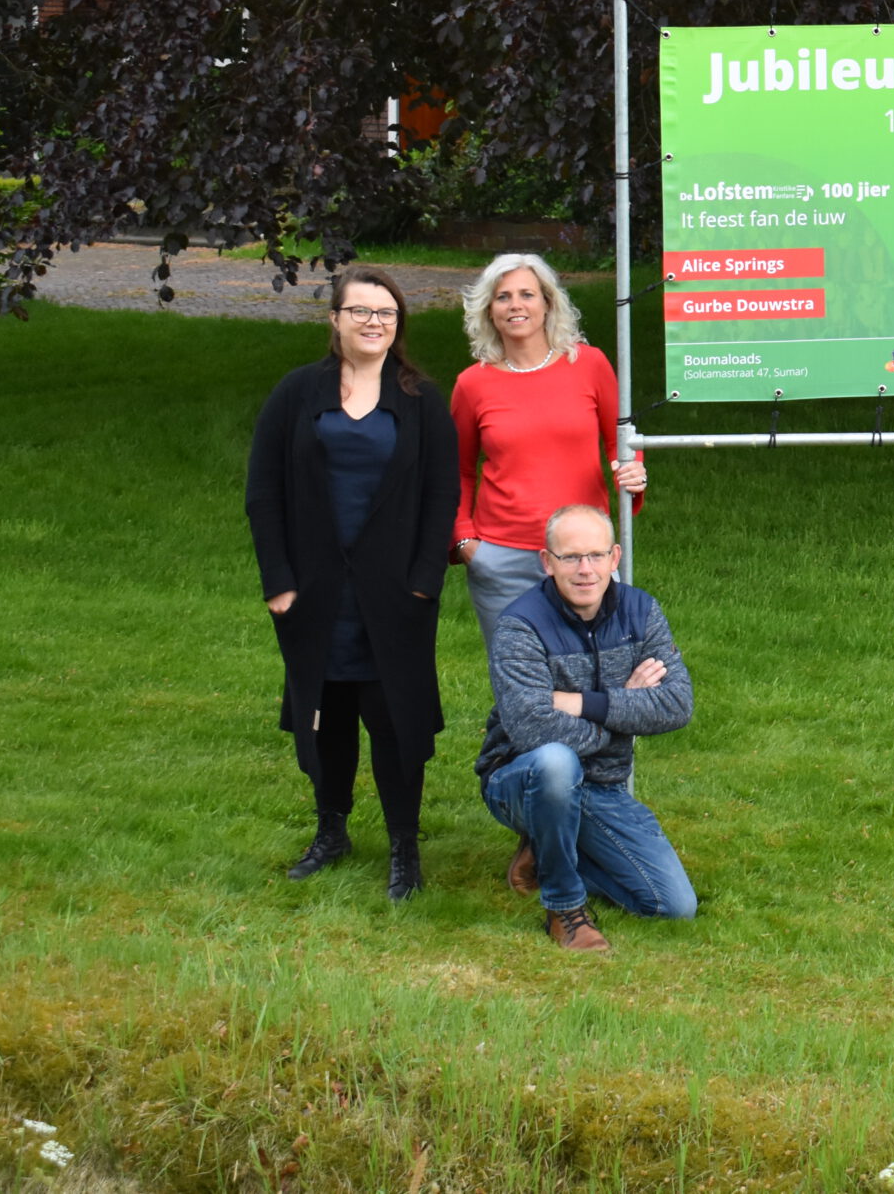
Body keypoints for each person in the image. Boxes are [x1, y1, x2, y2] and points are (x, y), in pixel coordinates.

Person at [244, 265, 460, 900]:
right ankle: (331, 830)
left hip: (395, 597)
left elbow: (441, 496)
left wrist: (424, 582)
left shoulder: (422, 401)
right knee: (325, 716)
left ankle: (404, 847)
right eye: (361, 311)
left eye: (386, 313)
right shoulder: (296, 393)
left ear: (398, 324)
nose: (374, 322)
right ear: (335, 319)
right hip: (314, 595)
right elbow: (263, 492)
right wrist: (279, 582)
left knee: (397, 722)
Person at [473, 503, 698, 951]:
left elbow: (676, 705)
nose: (585, 570)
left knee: (673, 905)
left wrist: (581, 703)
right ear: (547, 562)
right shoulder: (520, 626)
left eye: (596, 555)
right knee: (556, 762)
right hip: (520, 780)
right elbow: (533, 731)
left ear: (615, 557)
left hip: (602, 785)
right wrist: (625, 712)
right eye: (570, 557)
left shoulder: (641, 611)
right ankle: (565, 909)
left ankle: (549, 847)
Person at [450, 254, 647, 645]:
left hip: (584, 552)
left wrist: (632, 472)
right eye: (503, 297)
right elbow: (458, 470)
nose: (516, 305)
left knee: (600, 663)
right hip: (502, 557)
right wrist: (464, 541)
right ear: (489, 310)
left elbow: (620, 441)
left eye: (527, 294)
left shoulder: (589, 364)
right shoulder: (472, 384)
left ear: (548, 303)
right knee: (519, 672)